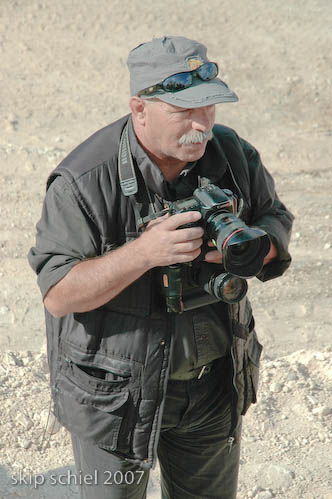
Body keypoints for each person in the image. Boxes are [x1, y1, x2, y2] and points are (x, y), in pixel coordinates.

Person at [28, 36, 294, 499]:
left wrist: (262, 246)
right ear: (140, 108)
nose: (201, 125)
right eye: (183, 111)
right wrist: (143, 254)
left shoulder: (231, 155)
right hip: (117, 400)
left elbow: (274, 216)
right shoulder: (84, 181)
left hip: (212, 386)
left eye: (209, 107)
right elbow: (59, 294)